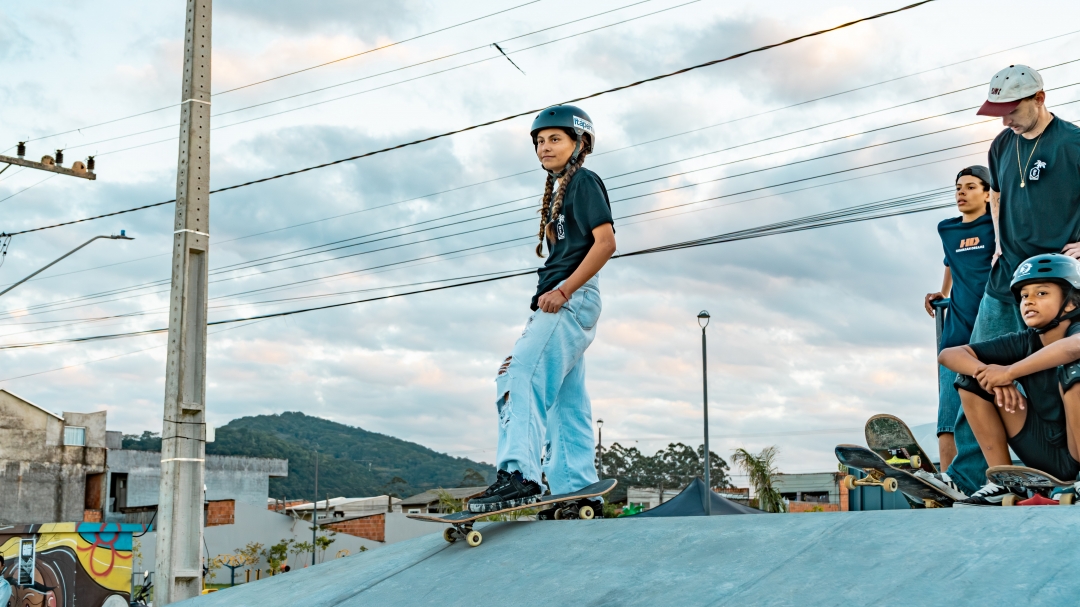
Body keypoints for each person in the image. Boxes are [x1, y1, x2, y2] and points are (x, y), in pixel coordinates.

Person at [467, 105, 616, 514]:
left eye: (554, 139)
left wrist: (564, 291)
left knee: (518, 374)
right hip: (569, 299)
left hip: (569, 298)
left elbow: (605, 244)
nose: (544, 147)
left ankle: (520, 475)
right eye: (539, 141)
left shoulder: (584, 181)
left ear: (579, 143)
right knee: (567, 399)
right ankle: (576, 486)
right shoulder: (560, 191)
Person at [942, 64, 1080, 497]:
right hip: (1007, 278)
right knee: (970, 369)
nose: (1004, 119)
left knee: (1065, 371)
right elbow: (998, 196)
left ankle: (1065, 471)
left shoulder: (1072, 143)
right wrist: (1000, 241)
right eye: (998, 111)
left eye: (1011, 109)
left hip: (1056, 279)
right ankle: (976, 479)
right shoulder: (1002, 145)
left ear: (1038, 98)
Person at [940, 254, 1080, 505]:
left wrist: (1009, 372)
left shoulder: (1076, 331)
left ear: (1070, 303)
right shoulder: (1025, 340)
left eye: (1042, 293)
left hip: (1075, 446)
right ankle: (1004, 483)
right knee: (972, 378)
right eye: (1025, 295)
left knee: (1075, 368)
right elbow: (949, 355)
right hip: (1044, 453)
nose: (1029, 301)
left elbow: (1075, 346)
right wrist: (992, 376)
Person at [924, 166, 995, 473]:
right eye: (958, 188)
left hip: (993, 328)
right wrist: (941, 293)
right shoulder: (947, 229)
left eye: (970, 187)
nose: (961, 193)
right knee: (949, 410)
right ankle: (948, 478)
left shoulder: (998, 226)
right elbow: (951, 263)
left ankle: (991, 473)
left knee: (989, 404)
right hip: (956, 330)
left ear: (988, 194)